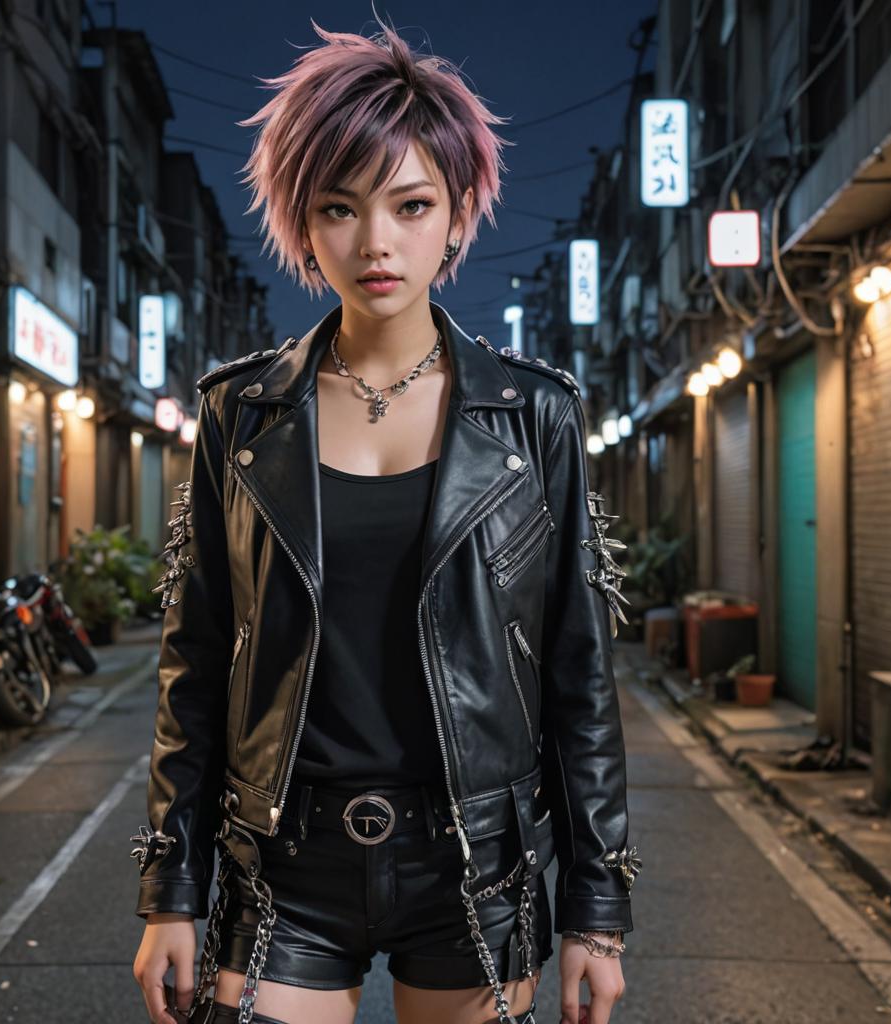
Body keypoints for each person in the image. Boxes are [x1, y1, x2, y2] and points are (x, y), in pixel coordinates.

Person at [132, 10, 640, 1024]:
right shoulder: (242, 412)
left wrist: (595, 911)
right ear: (300, 221)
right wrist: (171, 892)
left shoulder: (530, 413)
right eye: (338, 206)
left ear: (458, 214)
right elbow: (194, 660)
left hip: (473, 864)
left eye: (410, 204)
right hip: (282, 864)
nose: (375, 242)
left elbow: (578, 672)